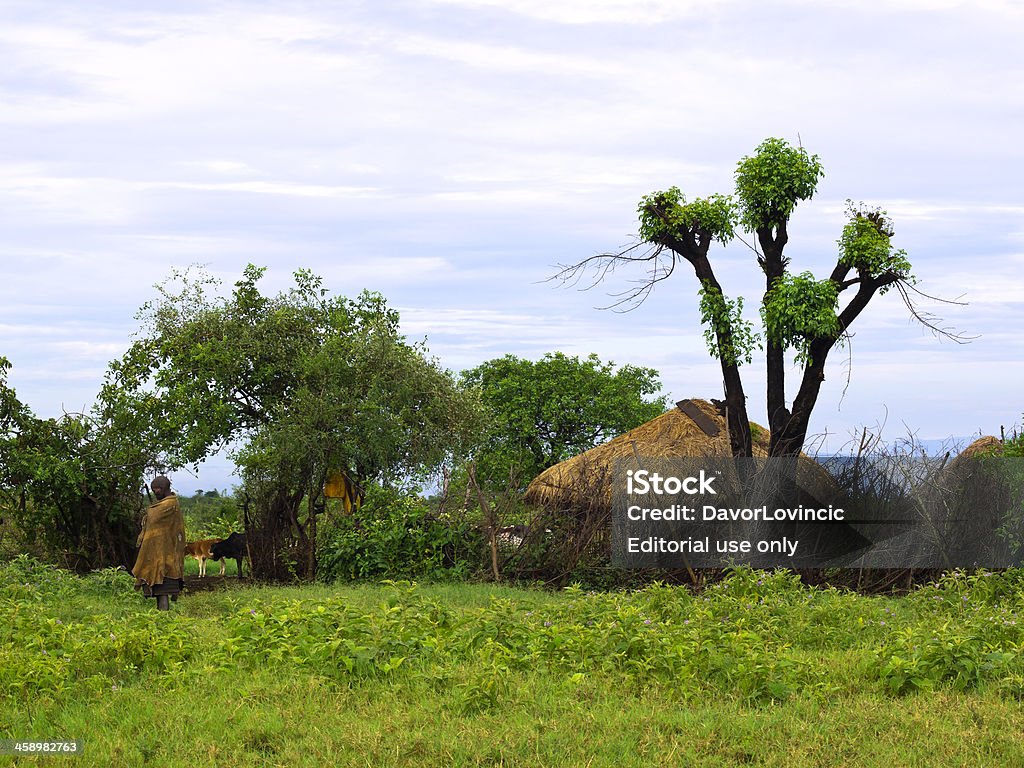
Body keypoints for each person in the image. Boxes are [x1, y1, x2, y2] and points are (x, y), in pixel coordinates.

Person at [132, 475, 185, 608]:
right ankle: (161, 619)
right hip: (156, 555)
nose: (154, 493)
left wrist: (150, 513)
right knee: (159, 592)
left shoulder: (169, 504)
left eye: (156, 489)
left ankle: (163, 620)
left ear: (162, 489)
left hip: (166, 558)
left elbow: (154, 519)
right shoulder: (167, 504)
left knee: (163, 592)